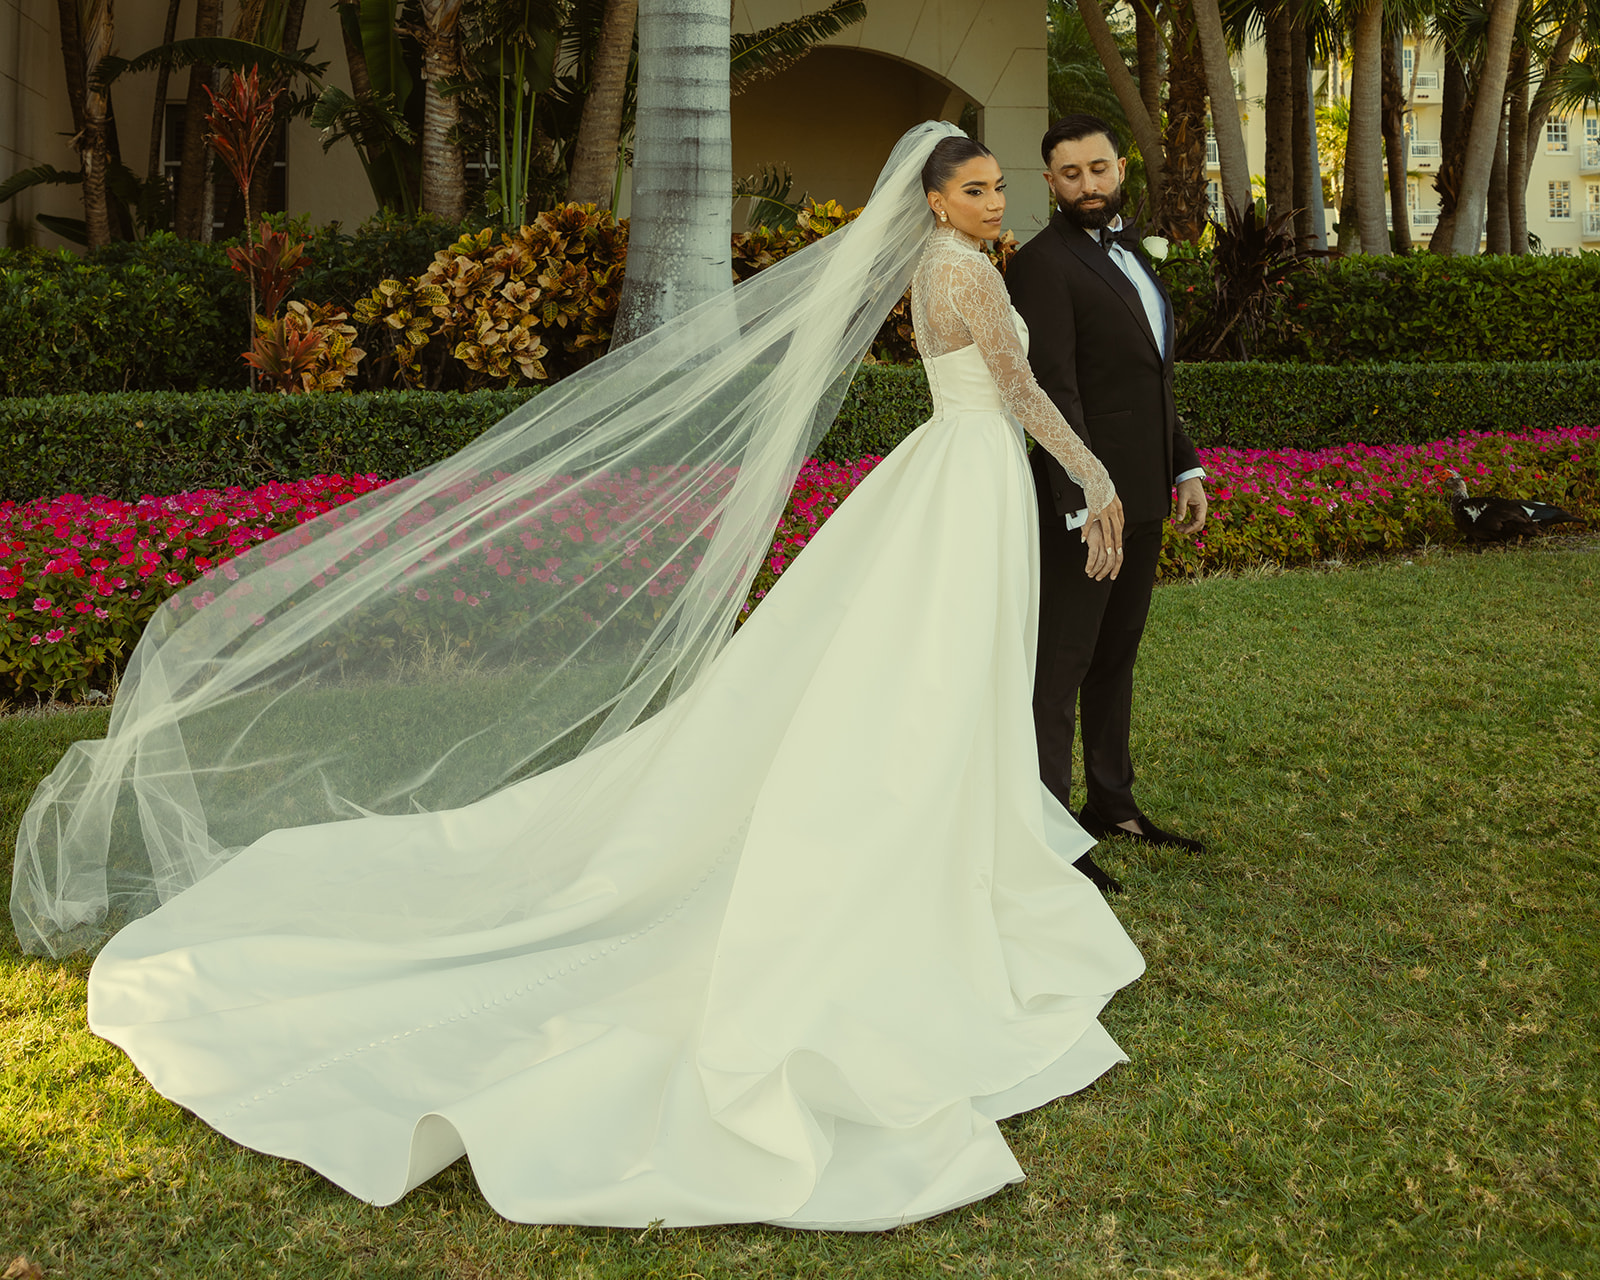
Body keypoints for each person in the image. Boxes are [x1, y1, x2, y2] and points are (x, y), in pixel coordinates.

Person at [15, 124, 1144, 1231]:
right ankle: (936, 846)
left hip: (948, 476)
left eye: (1002, 187)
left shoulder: (930, 270)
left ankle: (947, 824)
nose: (1000, 202)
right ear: (935, 201)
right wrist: (1094, 476)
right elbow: (1024, 398)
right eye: (981, 189)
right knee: (932, 670)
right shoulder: (971, 282)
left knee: (913, 671)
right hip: (965, 477)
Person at [1006, 115, 1210, 890]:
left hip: (1146, 492)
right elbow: (1053, 391)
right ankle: (1048, 834)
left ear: (1119, 168)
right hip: (1088, 505)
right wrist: (1085, 499)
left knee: (1117, 654)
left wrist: (1184, 466)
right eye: (1069, 174)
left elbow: (1148, 379)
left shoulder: (1132, 253)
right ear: (1050, 182)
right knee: (1062, 666)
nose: (1087, 185)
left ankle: (1113, 806)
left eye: (1097, 169)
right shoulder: (1040, 266)